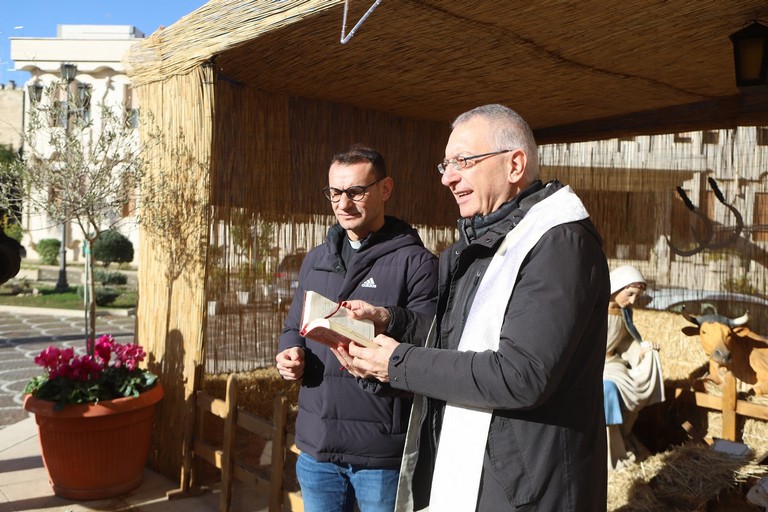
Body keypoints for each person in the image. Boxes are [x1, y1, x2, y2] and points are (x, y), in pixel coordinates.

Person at [339, 104, 610, 511]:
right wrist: (390, 323)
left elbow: (522, 374)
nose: (448, 177)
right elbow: (456, 340)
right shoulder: (478, 245)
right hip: (480, 477)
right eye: (445, 164)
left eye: (463, 161)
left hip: (528, 490)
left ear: (515, 164)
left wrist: (398, 363)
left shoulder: (558, 243)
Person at [274, 144, 438, 512]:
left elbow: (431, 335)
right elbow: (292, 326)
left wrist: (386, 316)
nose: (343, 204)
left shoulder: (416, 262)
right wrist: (289, 352)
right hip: (317, 446)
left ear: (385, 189)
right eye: (334, 192)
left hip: (380, 452)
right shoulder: (317, 259)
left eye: (355, 192)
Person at [604, 265, 664, 470]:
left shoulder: (625, 313)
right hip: (591, 367)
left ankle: (624, 438)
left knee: (637, 385)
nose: (631, 301)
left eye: (636, 297)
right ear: (616, 287)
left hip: (613, 364)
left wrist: (642, 351)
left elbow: (626, 343)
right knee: (608, 390)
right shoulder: (593, 309)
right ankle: (608, 450)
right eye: (629, 294)